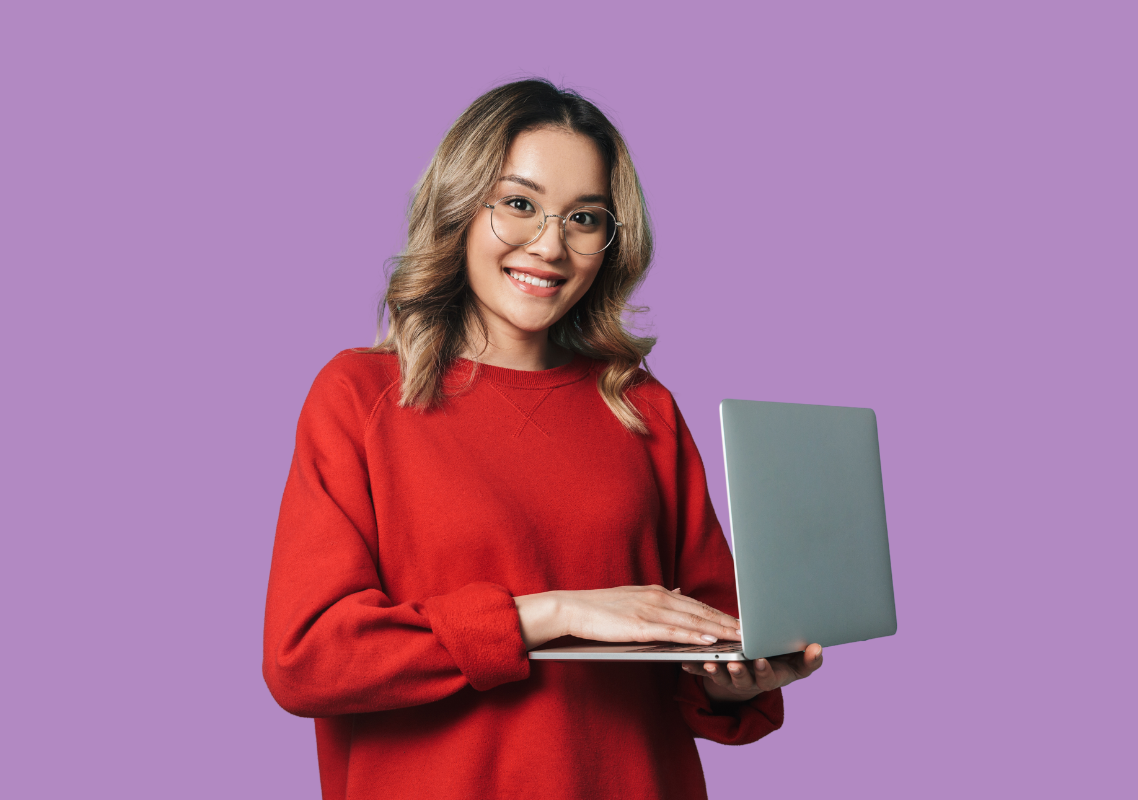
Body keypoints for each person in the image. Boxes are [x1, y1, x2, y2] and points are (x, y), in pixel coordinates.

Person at [262, 79, 824, 800]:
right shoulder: (360, 397)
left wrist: (738, 676)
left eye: (584, 217)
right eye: (519, 204)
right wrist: (553, 613)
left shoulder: (641, 408)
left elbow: (706, 640)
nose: (551, 245)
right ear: (461, 207)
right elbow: (308, 657)